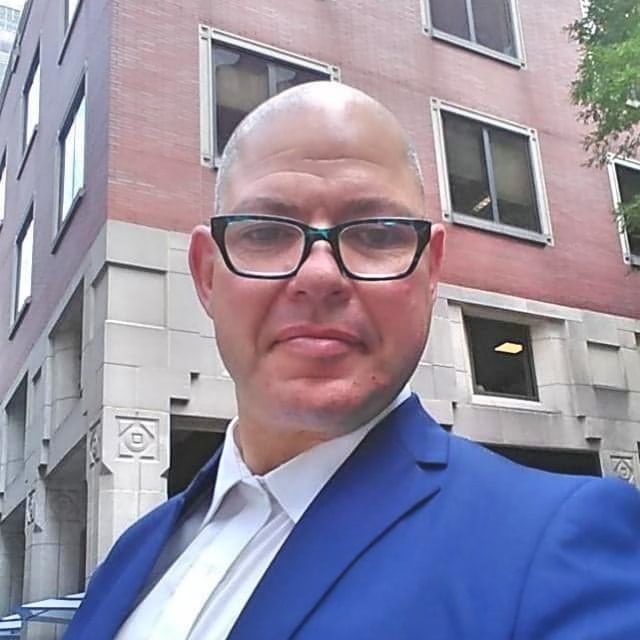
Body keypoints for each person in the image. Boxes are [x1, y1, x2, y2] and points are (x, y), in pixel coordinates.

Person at [66, 82, 640, 640]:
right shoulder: (131, 556)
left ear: (431, 271)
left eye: (378, 234)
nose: (319, 275)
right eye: (265, 233)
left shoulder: (558, 544)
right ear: (207, 275)